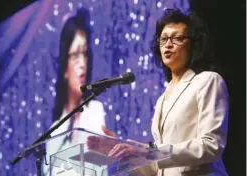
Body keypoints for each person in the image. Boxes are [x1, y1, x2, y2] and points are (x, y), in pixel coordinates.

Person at [87, 8, 229, 176]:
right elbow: (157, 168)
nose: (168, 44)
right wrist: (125, 154)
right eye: (163, 39)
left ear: (194, 44)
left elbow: (211, 146)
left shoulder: (207, 81)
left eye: (177, 38)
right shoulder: (163, 98)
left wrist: (149, 152)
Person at [44, 8, 107, 176]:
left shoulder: (95, 112)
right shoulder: (54, 133)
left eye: (85, 54)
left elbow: (101, 169)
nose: (82, 63)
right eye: (76, 55)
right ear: (65, 67)